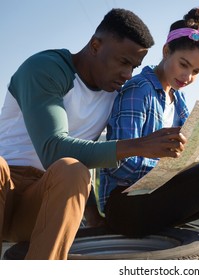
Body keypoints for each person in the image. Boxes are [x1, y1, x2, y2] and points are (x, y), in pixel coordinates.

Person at [0, 8, 187, 260]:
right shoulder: (45, 68)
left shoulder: (115, 92)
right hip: (6, 185)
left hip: (43, 201)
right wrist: (139, 145)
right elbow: (52, 150)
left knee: (73, 169)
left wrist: (94, 217)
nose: (127, 74)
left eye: (134, 66)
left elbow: (75, 164)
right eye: (123, 62)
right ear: (96, 45)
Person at [99, 6, 199, 260]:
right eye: (183, 64)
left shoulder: (179, 101)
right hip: (125, 204)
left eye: (196, 72)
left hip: (156, 197)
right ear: (166, 52)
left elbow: (193, 151)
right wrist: (176, 168)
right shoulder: (139, 91)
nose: (187, 76)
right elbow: (120, 166)